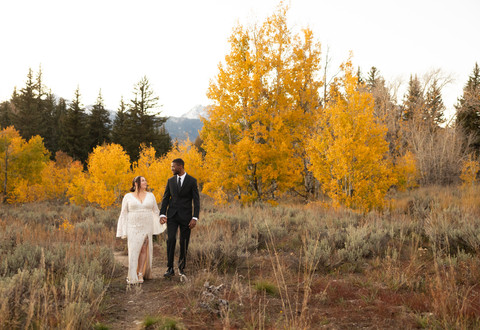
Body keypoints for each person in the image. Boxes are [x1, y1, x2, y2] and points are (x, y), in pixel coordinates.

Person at [116, 176, 166, 284]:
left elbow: (156, 211)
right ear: (136, 183)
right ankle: (132, 274)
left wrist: (162, 218)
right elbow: (123, 213)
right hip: (133, 226)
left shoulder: (151, 196)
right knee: (134, 250)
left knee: (144, 249)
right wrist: (122, 230)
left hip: (146, 226)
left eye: (145, 180)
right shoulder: (128, 197)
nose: (145, 182)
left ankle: (140, 273)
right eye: (143, 180)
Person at [160, 158, 200, 277]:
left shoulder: (192, 181)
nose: (171, 169)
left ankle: (181, 268)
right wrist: (162, 214)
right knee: (171, 240)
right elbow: (165, 198)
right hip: (172, 216)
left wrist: (195, 217)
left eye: (173, 167)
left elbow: (196, 201)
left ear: (180, 167)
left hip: (186, 217)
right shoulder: (170, 181)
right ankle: (170, 268)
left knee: (184, 241)